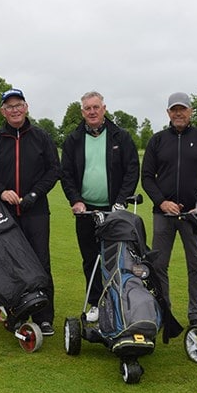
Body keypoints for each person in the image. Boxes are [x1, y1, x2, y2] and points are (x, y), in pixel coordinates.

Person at [0, 88, 60, 336]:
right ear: (3, 111)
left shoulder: (41, 137)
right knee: (9, 265)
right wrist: (1, 191)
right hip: (5, 214)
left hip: (36, 211)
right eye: (9, 107)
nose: (14, 110)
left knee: (41, 263)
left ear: (26, 107)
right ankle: (15, 314)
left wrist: (35, 193)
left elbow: (54, 170)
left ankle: (44, 317)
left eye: (18, 105)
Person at [141, 92, 197, 326]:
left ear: (190, 111)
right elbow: (147, 177)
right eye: (174, 109)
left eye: (183, 109)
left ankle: (196, 315)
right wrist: (161, 201)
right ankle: (163, 311)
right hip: (163, 214)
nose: (178, 113)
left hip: (194, 216)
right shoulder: (157, 140)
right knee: (158, 266)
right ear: (168, 113)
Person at [60, 91, 140, 322]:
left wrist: (121, 201)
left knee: (116, 259)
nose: (92, 112)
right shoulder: (74, 139)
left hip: (114, 210)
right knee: (90, 260)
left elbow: (131, 170)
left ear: (104, 108)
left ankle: (119, 303)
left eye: (96, 107)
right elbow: (66, 174)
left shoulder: (120, 137)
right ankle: (95, 303)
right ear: (82, 111)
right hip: (86, 211)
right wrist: (75, 200)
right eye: (87, 108)